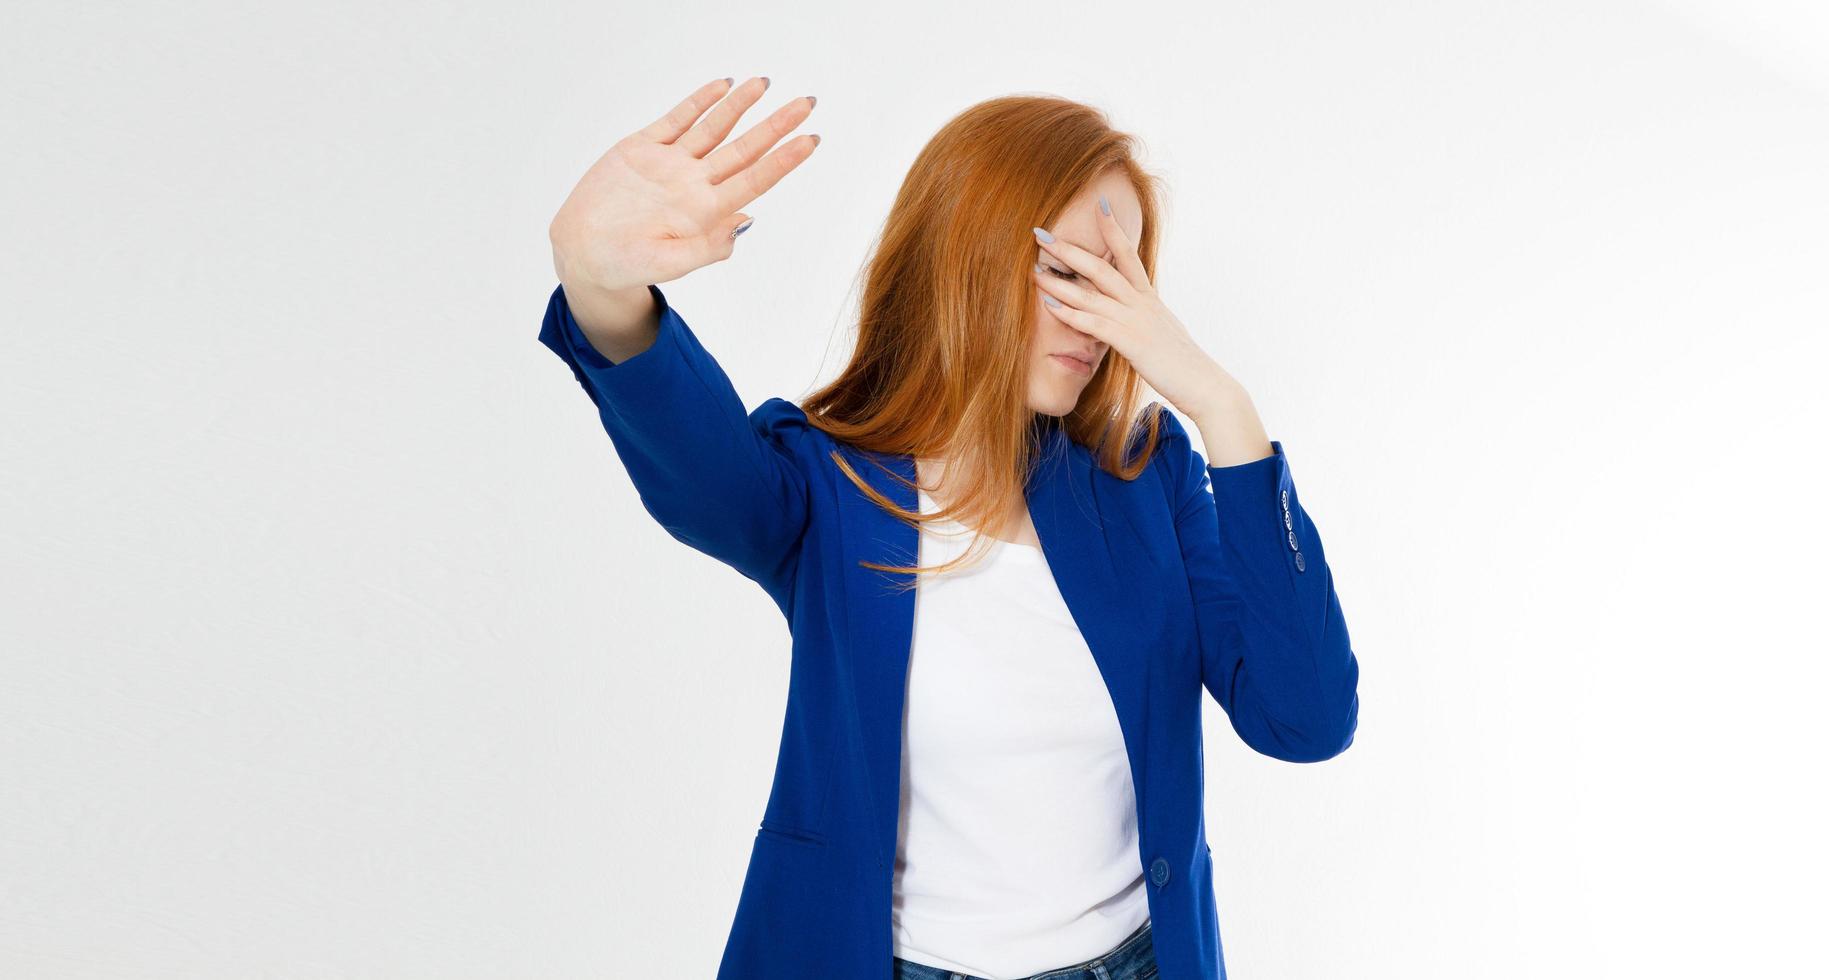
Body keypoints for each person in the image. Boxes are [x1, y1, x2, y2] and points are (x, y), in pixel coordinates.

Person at [538, 76, 1361, 980]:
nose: (1102, 316)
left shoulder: (1146, 473)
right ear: (966, 253)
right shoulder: (825, 479)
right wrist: (597, 279)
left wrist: (1220, 406)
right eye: (1069, 270)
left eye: (1123, 282)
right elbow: (693, 466)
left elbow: (1306, 718)